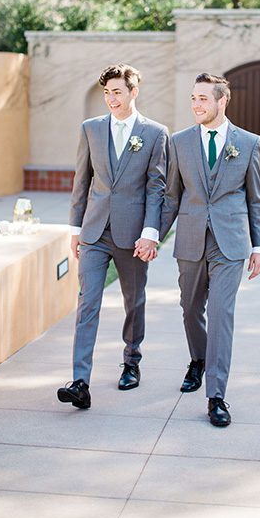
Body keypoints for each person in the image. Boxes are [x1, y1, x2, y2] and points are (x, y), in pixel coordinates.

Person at [57, 64, 168, 410]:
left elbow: (156, 188)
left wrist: (150, 233)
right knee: (87, 302)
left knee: (133, 301)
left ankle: (131, 361)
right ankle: (80, 381)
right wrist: (75, 229)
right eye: (106, 92)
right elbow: (82, 180)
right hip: (93, 230)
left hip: (133, 234)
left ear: (134, 93)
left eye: (117, 92)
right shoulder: (91, 129)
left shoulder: (155, 133)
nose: (111, 99)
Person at [160, 72, 260, 427]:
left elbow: (255, 198)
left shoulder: (248, 143)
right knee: (190, 309)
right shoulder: (179, 142)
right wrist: (151, 236)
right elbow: (171, 197)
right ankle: (198, 359)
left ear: (222, 101)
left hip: (230, 243)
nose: (196, 105)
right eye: (193, 98)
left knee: (221, 315)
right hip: (190, 238)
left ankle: (216, 396)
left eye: (203, 99)